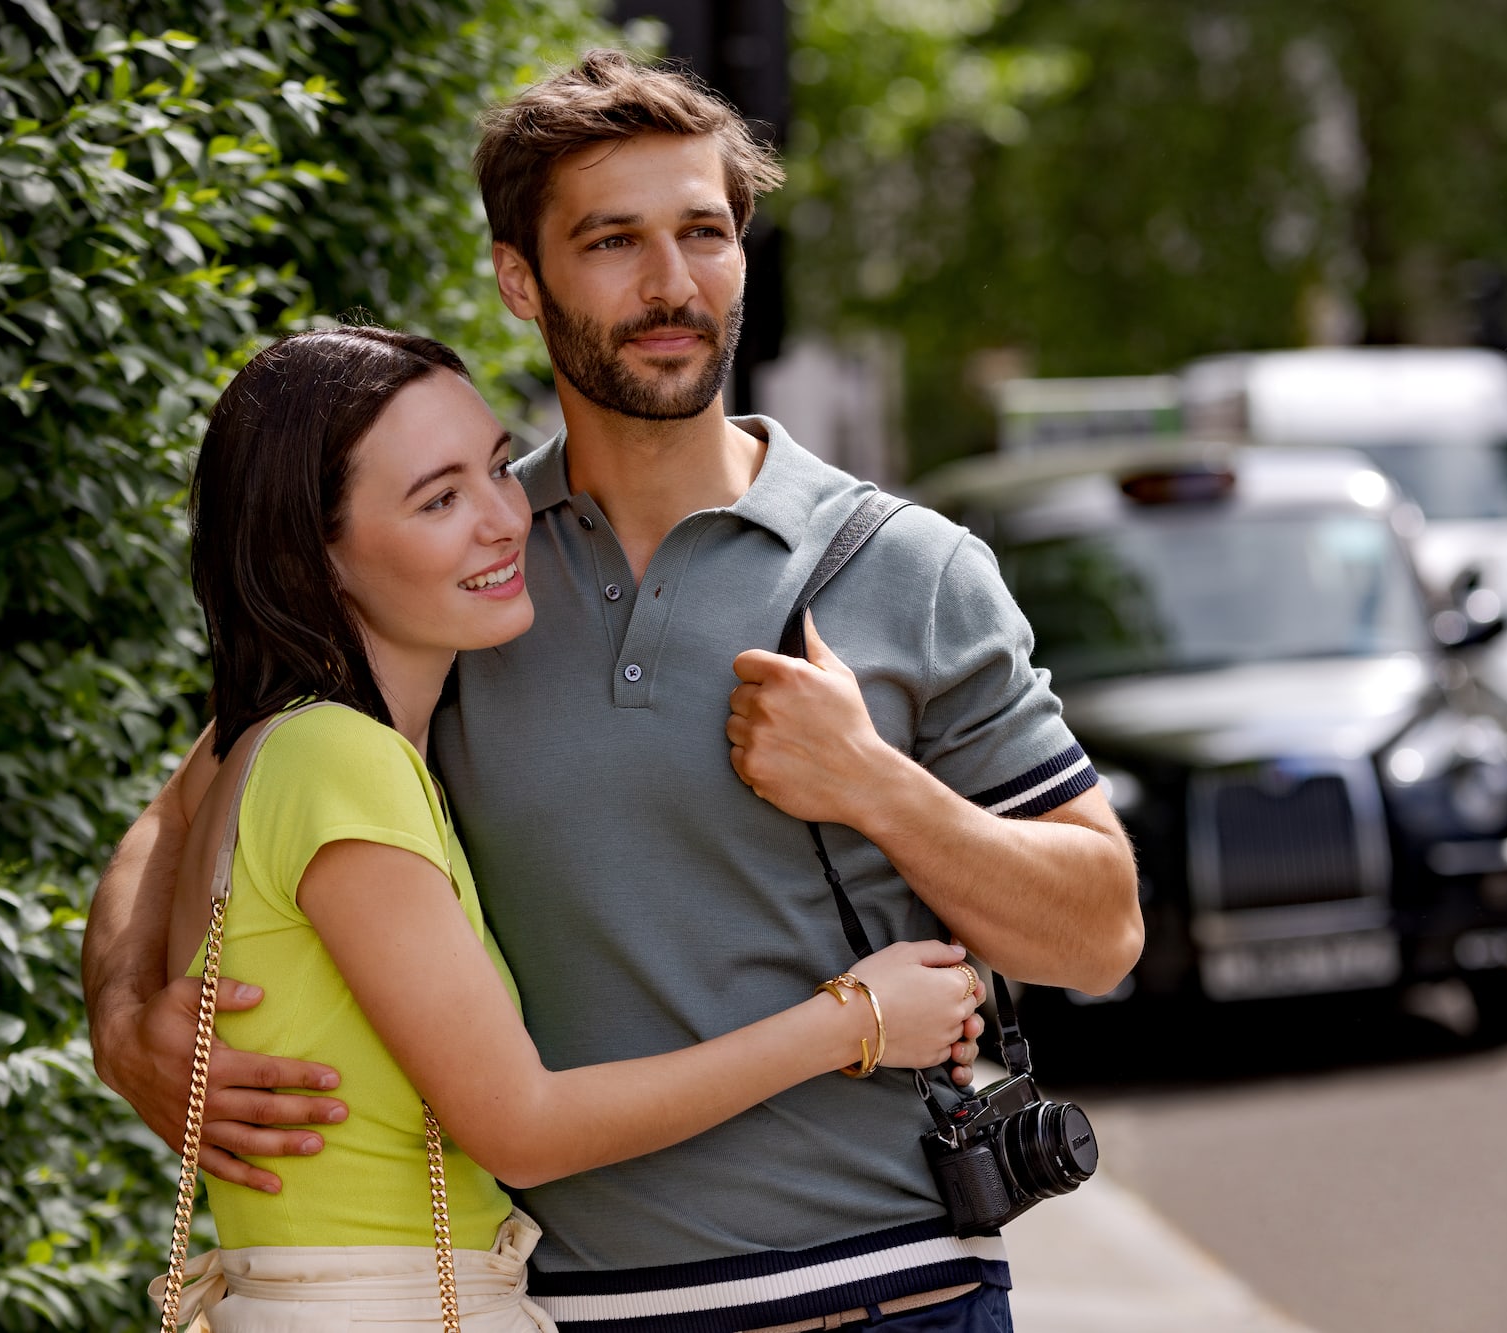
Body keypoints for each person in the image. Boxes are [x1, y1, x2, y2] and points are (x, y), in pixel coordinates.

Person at [85, 50, 1144, 1333]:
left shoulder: (907, 571)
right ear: (519, 279)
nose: (670, 284)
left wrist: (874, 785)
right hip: (575, 1311)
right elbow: (184, 819)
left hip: (891, 1293)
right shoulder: (461, 565)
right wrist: (134, 1024)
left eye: (704, 233)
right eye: (612, 241)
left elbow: (1099, 932)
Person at [144, 323, 987, 1329]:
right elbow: (523, 1129)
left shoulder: (275, 749)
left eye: (498, 468)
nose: (504, 519)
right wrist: (856, 1018)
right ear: (313, 556)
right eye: (438, 499)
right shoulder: (339, 761)